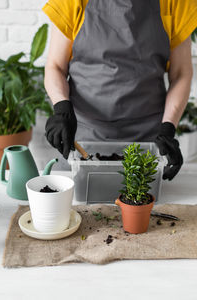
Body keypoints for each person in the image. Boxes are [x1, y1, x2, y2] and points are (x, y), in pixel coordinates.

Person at [42, 0, 197, 180]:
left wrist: (168, 128)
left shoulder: (176, 2)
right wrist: (62, 109)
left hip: (148, 138)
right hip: (82, 138)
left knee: (143, 202)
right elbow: (55, 66)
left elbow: (180, 74)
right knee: (79, 206)